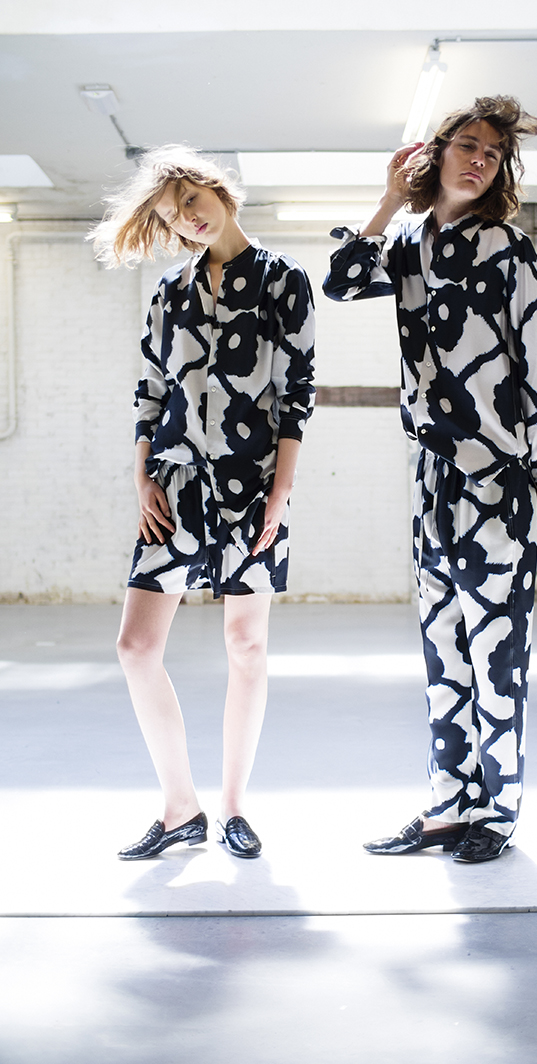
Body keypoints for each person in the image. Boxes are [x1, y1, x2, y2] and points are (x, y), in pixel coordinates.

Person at [323, 96, 537, 863]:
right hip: (431, 480)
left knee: (497, 655)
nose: (479, 159)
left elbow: (536, 363)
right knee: (442, 657)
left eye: (492, 153)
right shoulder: (406, 242)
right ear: (439, 152)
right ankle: (446, 806)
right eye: (467, 144)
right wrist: (389, 198)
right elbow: (340, 283)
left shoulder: (505, 246)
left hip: (497, 476)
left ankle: (498, 811)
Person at [91, 146, 315, 860]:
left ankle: (234, 808)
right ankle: (179, 807)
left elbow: (296, 395)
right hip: (174, 485)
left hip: (253, 487)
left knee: (246, 645)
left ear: (219, 191)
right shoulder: (169, 292)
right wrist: (142, 478)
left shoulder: (283, 280)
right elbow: (151, 390)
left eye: (191, 200)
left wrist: (281, 493)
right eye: (171, 215)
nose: (187, 219)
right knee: (135, 647)